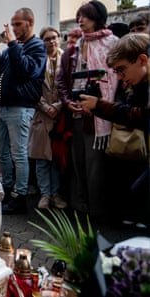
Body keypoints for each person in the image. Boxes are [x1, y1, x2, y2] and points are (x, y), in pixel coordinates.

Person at [79, 33, 149, 228]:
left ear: (142, 60)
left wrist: (100, 105)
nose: (119, 77)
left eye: (121, 69)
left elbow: (141, 116)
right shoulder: (140, 85)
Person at [56, 1, 118, 219]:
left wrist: (100, 104)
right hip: (77, 110)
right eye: (79, 16)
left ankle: (98, 211)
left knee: (96, 165)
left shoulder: (112, 42)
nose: (80, 20)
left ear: (97, 18)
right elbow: (64, 78)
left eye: (86, 16)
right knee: (78, 161)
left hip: (100, 113)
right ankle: (80, 206)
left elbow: (115, 78)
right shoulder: (76, 45)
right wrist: (67, 101)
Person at [0, 7, 47, 214]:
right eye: (12, 24)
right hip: (4, 107)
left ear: (30, 22)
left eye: (18, 24)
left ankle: (20, 195)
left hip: (21, 107)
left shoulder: (37, 46)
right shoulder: (16, 47)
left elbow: (24, 71)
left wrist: (12, 43)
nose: (14, 28)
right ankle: (7, 188)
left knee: (18, 153)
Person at [27, 27, 67, 209]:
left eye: (54, 38)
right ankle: (45, 194)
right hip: (41, 114)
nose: (51, 41)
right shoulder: (36, 60)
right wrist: (44, 106)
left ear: (59, 39)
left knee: (57, 157)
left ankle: (56, 194)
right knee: (42, 159)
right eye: (47, 39)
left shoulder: (66, 59)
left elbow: (69, 85)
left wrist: (58, 106)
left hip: (60, 114)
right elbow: (31, 89)